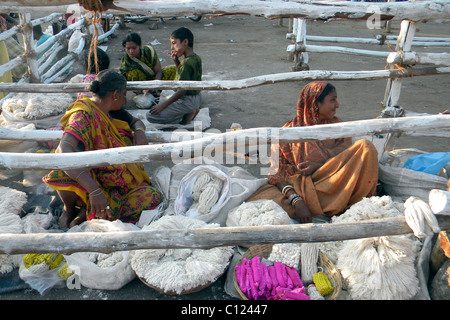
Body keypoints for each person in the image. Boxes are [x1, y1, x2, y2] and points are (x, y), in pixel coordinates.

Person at [43, 70, 162, 229]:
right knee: (61, 170)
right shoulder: (82, 114)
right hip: (86, 178)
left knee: (152, 196)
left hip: (112, 179)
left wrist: (139, 132)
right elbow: (63, 151)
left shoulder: (111, 110)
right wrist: (94, 190)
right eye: (124, 94)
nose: (125, 100)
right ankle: (70, 210)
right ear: (115, 94)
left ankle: (86, 212)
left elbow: (136, 122)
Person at [246, 81, 379, 224]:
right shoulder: (287, 133)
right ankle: (330, 205)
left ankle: (340, 203)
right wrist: (296, 201)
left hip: (337, 182)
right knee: (267, 200)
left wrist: (319, 165)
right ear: (315, 104)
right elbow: (277, 176)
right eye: (332, 100)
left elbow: (347, 163)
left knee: (365, 147)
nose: (337, 105)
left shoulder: (338, 127)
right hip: (306, 190)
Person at [147, 27, 202, 125]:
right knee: (166, 94)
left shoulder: (186, 63)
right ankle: (191, 110)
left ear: (185, 42)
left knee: (151, 117)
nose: (172, 48)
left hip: (187, 100)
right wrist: (176, 61)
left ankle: (185, 117)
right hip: (197, 97)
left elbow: (182, 90)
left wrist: (162, 106)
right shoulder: (195, 58)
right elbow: (184, 75)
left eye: (174, 43)